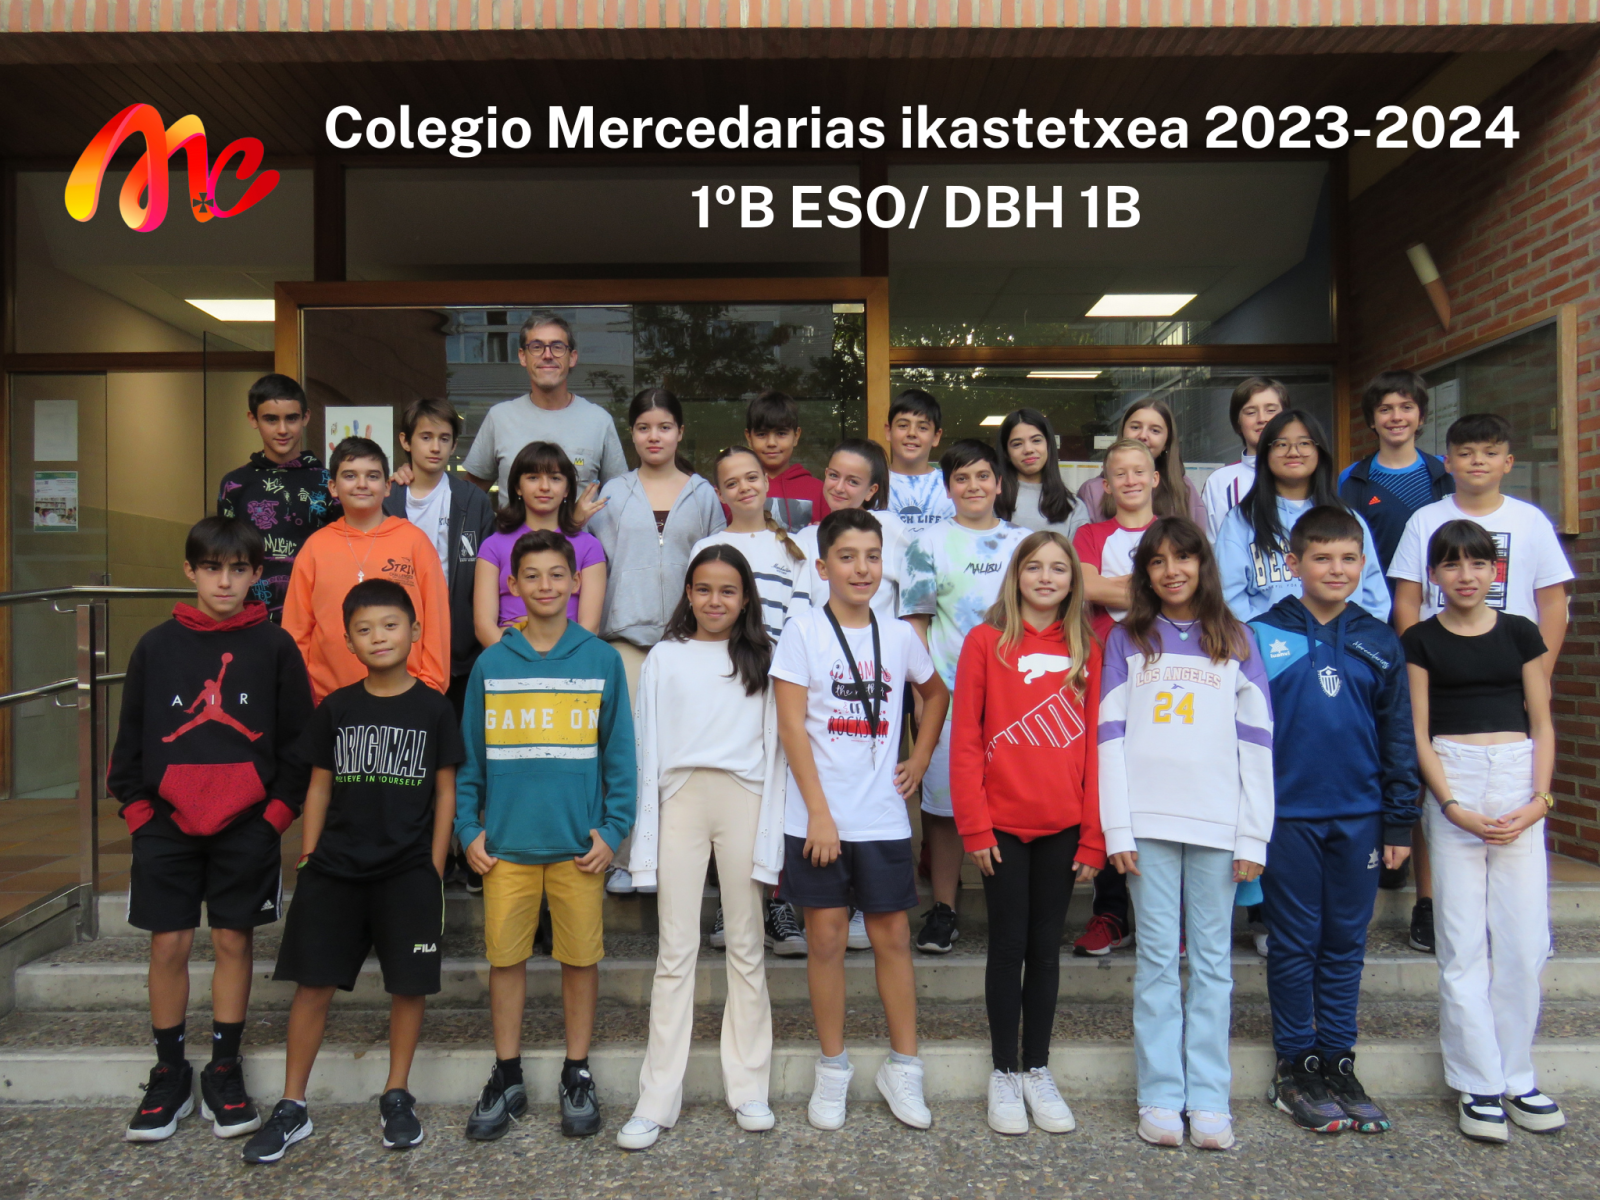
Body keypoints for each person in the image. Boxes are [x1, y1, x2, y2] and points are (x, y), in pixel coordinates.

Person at [242, 580, 464, 1164]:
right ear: (348, 642)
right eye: (364, 630)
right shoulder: (337, 707)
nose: (378, 637)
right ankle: (292, 1105)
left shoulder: (435, 708)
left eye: (390, 625)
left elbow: (446, 791)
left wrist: (434, 863)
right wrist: (310, 854)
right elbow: (318, 785)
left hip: (408, 871)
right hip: (335, 869)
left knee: (408, 985)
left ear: (415, 632)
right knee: (313, 984)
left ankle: (397, 1095)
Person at [109, 517, 313, 1143]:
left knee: (232, 941)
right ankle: (169, 1072)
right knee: (168, 944)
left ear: (257, 575)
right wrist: (139, 812)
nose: (225, 581)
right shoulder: (155, 647)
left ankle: (224, 1067)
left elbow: (298, 744)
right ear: (190, 571)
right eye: (212, 568)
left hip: (246, 826)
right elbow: (129, 742)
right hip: (164, 825)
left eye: (238, 570)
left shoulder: (275, 647)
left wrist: (274, 818)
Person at [1098, 516, 1274, 1151]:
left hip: (1217, 825)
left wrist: (1253, 836)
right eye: (1157, 561)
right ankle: (1160, 1095)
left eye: (1184, 558)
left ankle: (1209, 1098)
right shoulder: (1126, 639)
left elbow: (1258, 743)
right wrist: (1117, 827)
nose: (1172, 571)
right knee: (1154, 962)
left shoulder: (1236, 637)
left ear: (1203, 564)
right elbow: (1109, 739)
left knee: (1211, 964)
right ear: (1144, 574)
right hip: (1146, 825)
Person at [773, 508, 950, 1132]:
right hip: (817, 818)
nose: (861, 568)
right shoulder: (802, 631)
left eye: (872, 557)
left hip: (880, 818)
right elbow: (791, 727)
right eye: (847, 557)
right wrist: (820, 814)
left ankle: (905, 1067)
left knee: (893, 939)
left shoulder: (898, 635)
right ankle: (833, 1068)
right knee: (824, 941)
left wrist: (920, 757)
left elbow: (936, 694)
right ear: (823, 568)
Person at [455, 529, 636, 1141]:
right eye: (531, 575)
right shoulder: (492, 663)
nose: (545, 585)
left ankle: (576, 1070)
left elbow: (620, 756)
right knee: (506, 961)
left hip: (579, 850)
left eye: (557, 574)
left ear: (576, 581)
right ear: (512, 584)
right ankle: (507, 1073)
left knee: (579, 960)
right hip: (505, 849)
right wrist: (468, 828)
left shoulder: (600, 659)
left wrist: (613, 829)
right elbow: (471, 759)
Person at [1248, 506, 1419, 1136]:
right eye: (1321, 558)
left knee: (1346, 942)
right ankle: (1297, 1065)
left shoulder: (1379, 639)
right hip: (1288, 816)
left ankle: (1339, 1062)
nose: (1336, 569)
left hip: (1360, 816)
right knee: (1295, 941)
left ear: (1363, 564)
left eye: (1348, 558)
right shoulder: (1259, 635)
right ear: (1293, 564)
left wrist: (1398, 821)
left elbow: (1398, 734)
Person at [617, 545, 785, 1150]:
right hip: (681, 799)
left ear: (745, 599)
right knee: (676, 950)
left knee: (746, 945)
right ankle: (657, 1098)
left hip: (745, 797)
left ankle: (750, 1088)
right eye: (705, 589)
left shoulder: (764, 656)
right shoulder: (664, 656)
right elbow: (646, 744)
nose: (716, 601)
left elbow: (777, 747)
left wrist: (772, 827)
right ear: (688, 594)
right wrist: (646, 830)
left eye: (728, 591)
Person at [1402, 519, 1565, 1143]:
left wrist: (1540, 801)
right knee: (1462, 942)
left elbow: (1542, 722)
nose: (1465, 576)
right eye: (1451, 564)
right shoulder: (1420, 639)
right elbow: (1418, 732)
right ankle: (1478, 1082)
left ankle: (1518, 1075)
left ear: (1494, 571)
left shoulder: (1520, 631)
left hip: (1519, 782)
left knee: (1524, 942)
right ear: (1434, 575)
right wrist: (1449, 805)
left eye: (1476, 564)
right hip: (1456, 783)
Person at [1387, 412, 1573, 954]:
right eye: (1466, 453)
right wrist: (1424, 659)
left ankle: (1518, 921)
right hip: (1441, 676)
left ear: (1508, 462)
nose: (1477, 462)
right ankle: (1431, 902)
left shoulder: (1530, 520)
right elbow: (1407, 601)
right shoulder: (1425, 518)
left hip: (1513, 677)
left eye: (1490, 453)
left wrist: (1539, 676)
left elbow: (1552, 604)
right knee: (1436, 785)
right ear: (1447, 462)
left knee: (1515, 790)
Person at [950, 530, 1103, 1137]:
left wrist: (1094, 837)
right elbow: (966, 740)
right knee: (1007, 946)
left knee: (1045, 949)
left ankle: (1037, 1066)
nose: (1045, 577)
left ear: (1072, 581)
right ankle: (1004, 1071)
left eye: (1058, 568)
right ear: (1015, 576)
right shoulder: (985, 643)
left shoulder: (1086, 648)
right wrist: (974, 825)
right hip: (1002, 828)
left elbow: (1098, 748)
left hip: (1064, 825)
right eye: (1033, 567)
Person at [587, 388, 726, 894]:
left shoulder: (703, 493)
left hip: (688, 641)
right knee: (627, 752)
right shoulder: (613, 492)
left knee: (681, 752)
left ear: (680, 432)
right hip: (624, 638)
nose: (654, 436)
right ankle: (626, 859)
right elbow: (593, 559)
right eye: (644, 427)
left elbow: (718, 562)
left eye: (664, 427)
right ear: (632, 434)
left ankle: (674, 860)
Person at [902, 440, 1029, 954]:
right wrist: (922, 696)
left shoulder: (1025, 543)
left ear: (998, 483)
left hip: (1018, 696)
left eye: (982, 476)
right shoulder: (926, 544)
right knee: (943, 806)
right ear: (947, 487)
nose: (973, 486)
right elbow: (916, 625)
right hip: (950, 697)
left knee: (1012, 802)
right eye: (961, 478)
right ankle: (944, 909)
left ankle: (1012, 911)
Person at [694, 446, 811, 950]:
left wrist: (785, 674)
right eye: (732, 482)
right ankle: (732, 898)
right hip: (728, 686)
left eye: (751, 478)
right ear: (719, 493)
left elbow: (802, 619)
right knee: (734, 792)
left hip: (779, 685)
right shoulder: (709, 545)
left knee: (777, 793)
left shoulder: (794, 549)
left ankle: (778, 902)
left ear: (766, 481)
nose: (744, 488)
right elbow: (704, 615)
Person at [282, 437, 450, 703]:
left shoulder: (414, 542)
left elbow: (436, 624)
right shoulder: (315, 547)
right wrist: (303, 696)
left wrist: (428, 691)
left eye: (372, 476)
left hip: (407, 698)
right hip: (328, 702)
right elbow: (296, 631)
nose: (362, 484)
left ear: (387, 486)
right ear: (333, 487)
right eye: (350, 476)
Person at [1215, 409, 1390, 624]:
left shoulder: (1347, 518)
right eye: (1281, 444)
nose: (1293, 452)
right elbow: (1228, 597)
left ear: (1319, 451)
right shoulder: (1241, 520)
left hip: (1344, 640)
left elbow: (1375, 599)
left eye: (1305, 443)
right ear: (1266, 453)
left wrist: (1355, 638)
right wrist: (1265, 636)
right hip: (1269, 642)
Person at [383, 396, 496, 715]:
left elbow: (488, 577)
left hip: (460, 648)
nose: (435, 447)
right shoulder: (387, 499)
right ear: (405, 441)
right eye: (426, 437)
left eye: (444, 438)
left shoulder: (473, 500)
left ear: (454, 445)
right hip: (398, 644)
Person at [456, 312, 627, 503]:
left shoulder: (599, 421)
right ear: (523, 356)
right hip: (515, 525)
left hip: (581, 525)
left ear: (572, 357)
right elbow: (468, 497)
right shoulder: (500, 418)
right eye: (537, 347)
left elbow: (620, 500)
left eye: (557, 347)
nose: (547, 355)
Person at [216, 373, 340, 622]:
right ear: (253, 419)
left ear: (305, 417)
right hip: (250, 619)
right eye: (271, 419)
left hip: (318, 616)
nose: (282, 429)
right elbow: (225, 557)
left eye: (291, 418)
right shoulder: (235, 484)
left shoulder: (330, 482)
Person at [474, 440, 607, 643]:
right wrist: (514, 655)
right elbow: (484, 626)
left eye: (555, 478)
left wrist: (556, 658)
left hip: (570, 654)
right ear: (517, 487)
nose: (544, 487)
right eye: (533, 478)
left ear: (567, 489)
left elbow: (590, 626)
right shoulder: (493, 546)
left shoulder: (589, 546)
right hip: (508, 652)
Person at [1338, 370, 1455, 588]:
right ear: (1372, 420)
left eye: (1406, 407)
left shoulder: (1447, 472)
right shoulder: (1352, 478)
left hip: (1441, 598)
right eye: (1385, 409)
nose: (1396, 417)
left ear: (1421, 417)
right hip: (1378, 600)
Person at [795, 438, 911, 621]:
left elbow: (916, 596)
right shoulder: (806, 537)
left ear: (871, 490)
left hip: (878, 637)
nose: (839, 488)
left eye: (853, 482)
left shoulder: (889, 527)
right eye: (834, 476)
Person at [1073, 438, 1159, 644]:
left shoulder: (1174, 533)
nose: (1130, 481)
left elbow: (1190, 592)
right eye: (1120, 474)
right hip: (1104, 649)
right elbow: (1087, 587)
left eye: (1139, 472)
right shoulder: (1088, 534)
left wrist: (1108, 584)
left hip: (1162, 647)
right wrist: (1155, 593)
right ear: (1107, 485)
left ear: (1154, 478)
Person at [1077, 399, 1207, 527]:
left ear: (1166, 443)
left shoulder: (1183, 488)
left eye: (1155, 430)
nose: (1143, 436)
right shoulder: (1092, 491)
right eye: (1135, 427)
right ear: (1122, 433)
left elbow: (1197, 539)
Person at [1203, 378, 1286, 539]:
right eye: (1250, 412)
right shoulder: (1219, 481)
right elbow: (1211, 546)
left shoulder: (1302, 473)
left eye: (1271, 410)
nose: (1262, 419)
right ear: (1238, 423)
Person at [994, 408, 1092, 538]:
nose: (1028, 449)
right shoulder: (991, 501)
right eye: (1017, 444)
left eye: (1036, 440)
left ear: (1049, 445)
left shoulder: (1073, 507)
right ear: (1006, 452)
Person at [745, 389, 829, 531]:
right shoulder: (737, 489)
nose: (771, 443)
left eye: (781, 433)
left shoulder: (820, 491)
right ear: (749, 438)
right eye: (762, 434)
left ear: (796, 436)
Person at [885, 388, 954, 532]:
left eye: (922, 428)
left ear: (936, 436)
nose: (912, 433)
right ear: (888, 431)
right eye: (903, 426)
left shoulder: (952, 484)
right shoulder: (872, 484)